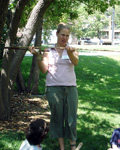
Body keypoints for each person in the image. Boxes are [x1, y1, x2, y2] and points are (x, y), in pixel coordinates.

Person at [29, 22, 79, 150]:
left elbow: (76, 62)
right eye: (62, 35)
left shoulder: (72, 49)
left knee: (71, 118)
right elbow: (44, 69)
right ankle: (62, 147)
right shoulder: (48, 50)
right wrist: (38, 55)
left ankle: (73, 147)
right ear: (57, 34)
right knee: (57, 118)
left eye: (67, 36)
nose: (65, 38)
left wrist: (71, 52)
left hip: (70, 87)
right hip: (54, 87)